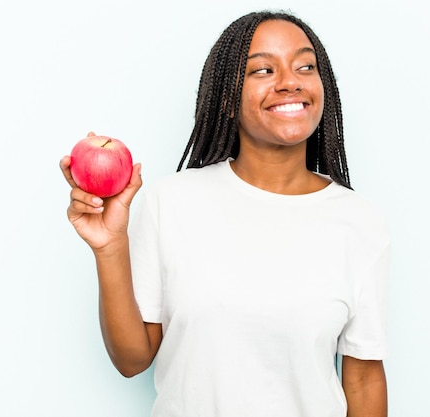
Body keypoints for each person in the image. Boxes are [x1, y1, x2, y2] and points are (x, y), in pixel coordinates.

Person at [60, 10, 390, 417]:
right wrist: (110, 248)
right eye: (263, 70)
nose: (290, 81)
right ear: (228, 98)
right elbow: (132, 360)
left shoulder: (358, 221)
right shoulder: (172, 201)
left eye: (305, 66)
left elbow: (362, 378)